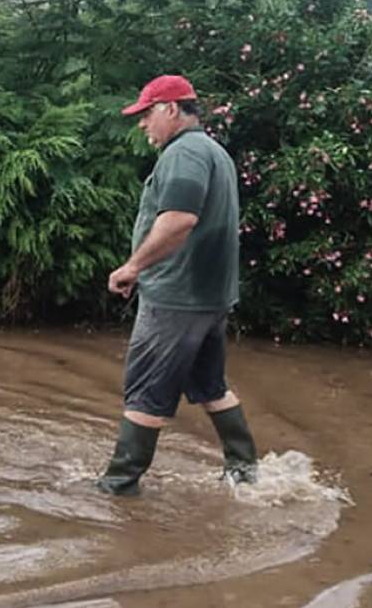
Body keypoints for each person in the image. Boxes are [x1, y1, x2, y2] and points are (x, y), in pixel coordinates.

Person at [96, 74, 258, 496]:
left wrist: (133, 267)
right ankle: (243, 472)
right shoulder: (214, 152)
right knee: (210, 386)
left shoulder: (183, 154)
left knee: (146, 391)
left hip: (177, 297)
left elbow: (179, 221)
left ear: (171, 109)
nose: (142, 124)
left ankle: (118, 487)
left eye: (146, 114)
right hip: (209, 297)